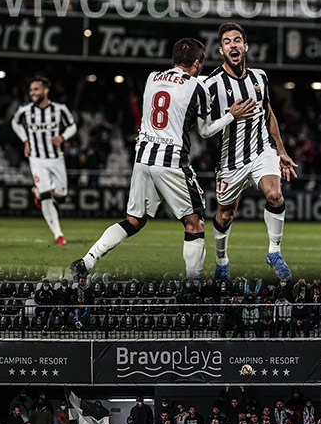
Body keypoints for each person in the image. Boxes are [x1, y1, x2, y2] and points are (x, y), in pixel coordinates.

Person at [71, 37, 255, 283]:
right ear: (198, 63)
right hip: (172, 161)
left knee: (133, 221)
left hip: (143, 158)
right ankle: (193, 284)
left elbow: (177, 87)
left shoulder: (152, 77)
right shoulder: (197, 88)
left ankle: (87, 261)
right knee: (195, 224)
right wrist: (231, 115)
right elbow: (206, 131)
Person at [204, 21, 297, 284]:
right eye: (226, 42)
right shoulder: (212, 84)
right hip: (229, 161)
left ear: (245, 46)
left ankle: (274, 252)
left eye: (236, 40)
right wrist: (229, 116)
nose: (232, 45)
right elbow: (203, 127)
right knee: (225, 215)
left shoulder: (260, 77)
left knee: (275, 195)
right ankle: (222, 262)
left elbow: (268, 112)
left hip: (260, 152)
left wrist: (280, 150)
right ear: (221, 51)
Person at [11, 75, 77, 247]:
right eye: (31, 89)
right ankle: (58, 234)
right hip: (37, 158)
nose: (32, 92)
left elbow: (72, 125)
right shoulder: (25, 110)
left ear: (46, 90)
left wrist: (63, 137)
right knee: (46, 195)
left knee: (61, 197)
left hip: (56, 159)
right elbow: (15, 123)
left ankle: (38, 192)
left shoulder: (60, 109)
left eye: (36, 89)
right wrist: (25, 140)